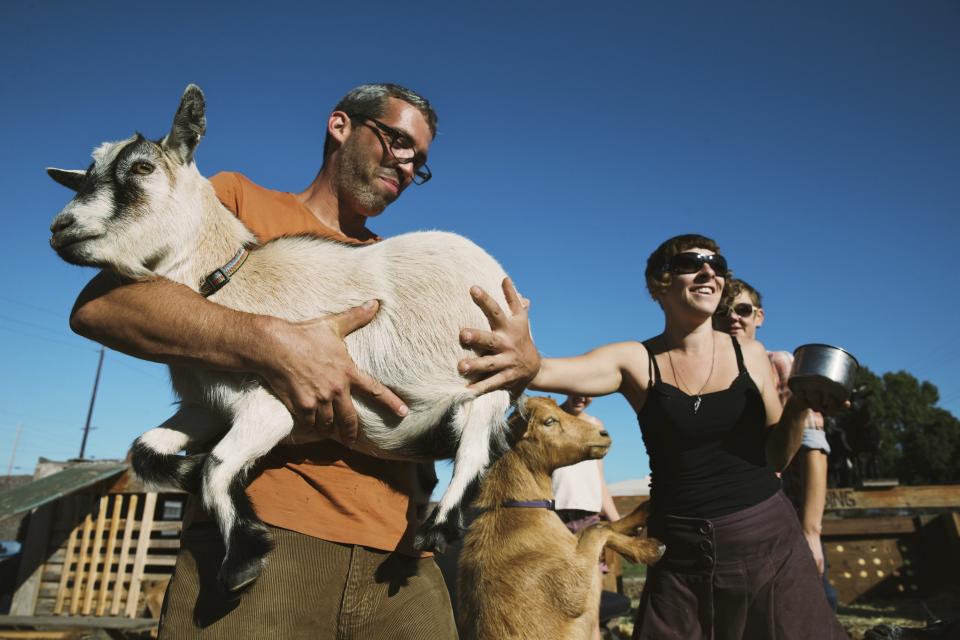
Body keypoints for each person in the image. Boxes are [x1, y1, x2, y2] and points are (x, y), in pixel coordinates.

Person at [69, 83, 540, 639]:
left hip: (405, 558)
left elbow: (475, 385)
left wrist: (525, 366)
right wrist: (277, 342)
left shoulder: (409, 271)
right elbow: (104, 307)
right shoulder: (232, 205)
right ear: (341, 126)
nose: (408, 166)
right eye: (397, 143)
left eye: (421, 162)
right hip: (272, 547)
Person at [461, 234, 847, 639]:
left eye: (717, 265)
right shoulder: (636, 360)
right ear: (659, 284)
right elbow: (543, 370)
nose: (708, 272)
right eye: (692, 263)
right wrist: (521, 351)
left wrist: (800, 407)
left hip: (767, 544)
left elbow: (775, 459)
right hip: (682, 557)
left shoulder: (749, 353)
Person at [714, 278, 839, 610]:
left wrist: (811, 531)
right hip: (731, 514)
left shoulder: (778, 363)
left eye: (742, 310)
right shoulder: (703, 375)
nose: (733, 318)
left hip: (786, 507)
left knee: (811, 601)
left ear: (759, 316)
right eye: (722, 311)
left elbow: (813, 448)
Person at [551, 395, 621, 640]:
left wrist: (617, 522)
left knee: (592, 606)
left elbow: (599, 479)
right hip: (554, 518)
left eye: (588, 392)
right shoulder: (552, 419)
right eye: (575, 390)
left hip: (589, 521)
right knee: (559, 603)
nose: (581, 397)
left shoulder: (596, 425)